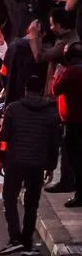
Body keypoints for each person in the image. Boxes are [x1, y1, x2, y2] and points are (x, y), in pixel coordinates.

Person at [0, 75, 60, 254]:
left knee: (9, 198)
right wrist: (51, 166)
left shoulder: (14, 109)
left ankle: (14, 237)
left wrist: (2, 158)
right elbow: (53, 143)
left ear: (25, 90)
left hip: (15, 162)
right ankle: (27, 240)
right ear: (42, 90)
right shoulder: (51, 112)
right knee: (32, 203)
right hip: (37, 164)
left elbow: (4, 138)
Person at [53, 44, 82, 209]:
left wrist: (57, 75)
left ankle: (79, 194)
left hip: (74, 122)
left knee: (75, 159)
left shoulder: (70, 73)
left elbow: (55, 89)